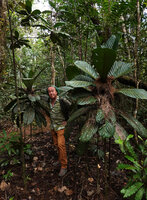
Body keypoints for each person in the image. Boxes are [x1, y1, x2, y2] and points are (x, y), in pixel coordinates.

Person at [48, 86, 70, 177]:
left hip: (61, 126)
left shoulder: (62, 100)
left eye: (52, 91)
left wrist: (67, 120)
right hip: (53, 127)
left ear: (56, 92)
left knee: (61, 145)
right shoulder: (48, 102)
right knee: (56, 144)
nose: (51, 93)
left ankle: (64, 166)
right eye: (49, 92)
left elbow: (71, 108)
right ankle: (60, 160)